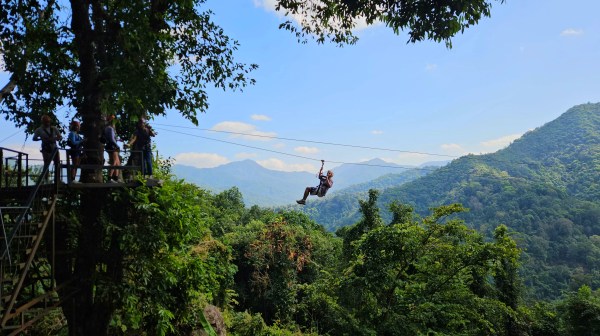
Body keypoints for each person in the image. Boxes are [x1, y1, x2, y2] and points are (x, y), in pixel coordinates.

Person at [33, 114, 62, 182]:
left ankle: (57, 179)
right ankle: (46, 179)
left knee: (57, 163)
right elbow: (34, 138)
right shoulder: (39, 130)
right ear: (43, 122)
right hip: (45, 148)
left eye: (48, 122)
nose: (47, 123)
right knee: (46, 163)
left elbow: (60, 137)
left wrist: (55, 138)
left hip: (54, 147)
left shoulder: (54, 128)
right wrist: (41, 138)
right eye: (46, 122)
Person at [104, 115, 121, 183]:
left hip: (111, 145)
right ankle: (109, 178)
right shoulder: (109, 128)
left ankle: (116, 178)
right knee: (114, 162)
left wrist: (118, 140)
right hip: (112, 146)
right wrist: (117, 145)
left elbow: (112, 138)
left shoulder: (108, 128)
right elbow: (111, 139)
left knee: (117, 162)